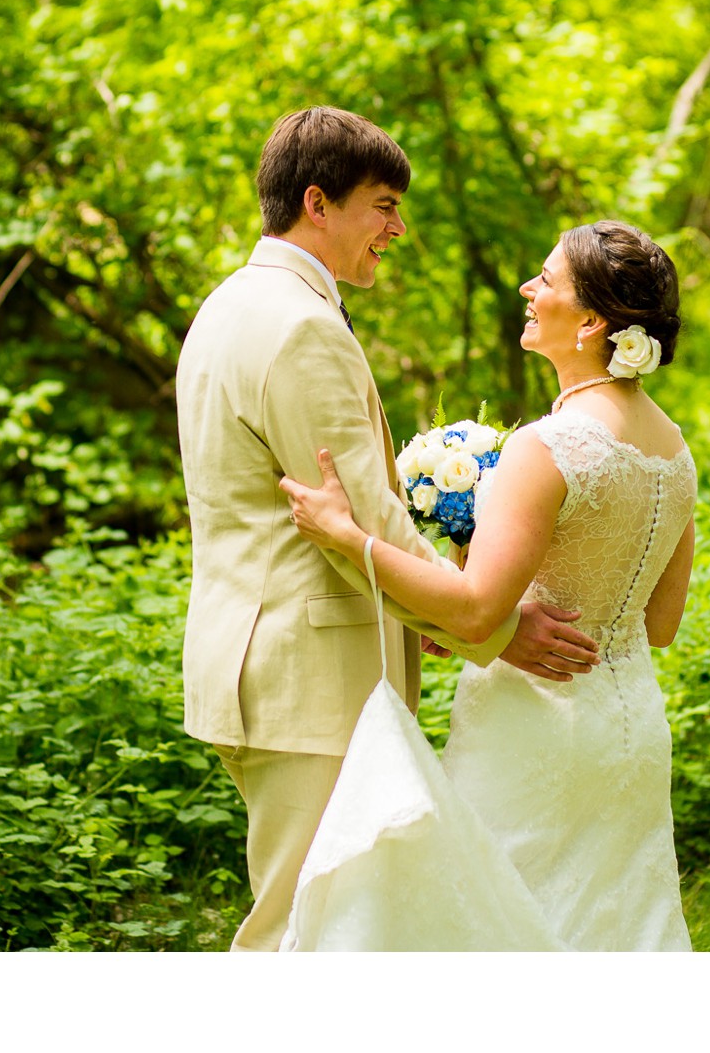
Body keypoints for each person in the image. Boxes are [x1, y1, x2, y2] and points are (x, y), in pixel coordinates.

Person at [174, 107, 600, 952]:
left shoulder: (231, 304)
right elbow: (359, 519)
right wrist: (488, 620)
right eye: (383, 205)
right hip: (310, 679)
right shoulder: (301, 328)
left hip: (268, 665)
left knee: (336, 928)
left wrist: (430, 607)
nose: (397, 228)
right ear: (318, 202)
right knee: (300, 932)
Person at [278, 220, 696, 951]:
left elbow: (477, 613)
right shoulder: (675, 448)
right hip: (631, 732)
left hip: (532, 732)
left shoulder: (547, 447)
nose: (529, 292)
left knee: (493, 927)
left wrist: (347, 535)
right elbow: (659, 624)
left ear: (594, 322)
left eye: (547, 282)